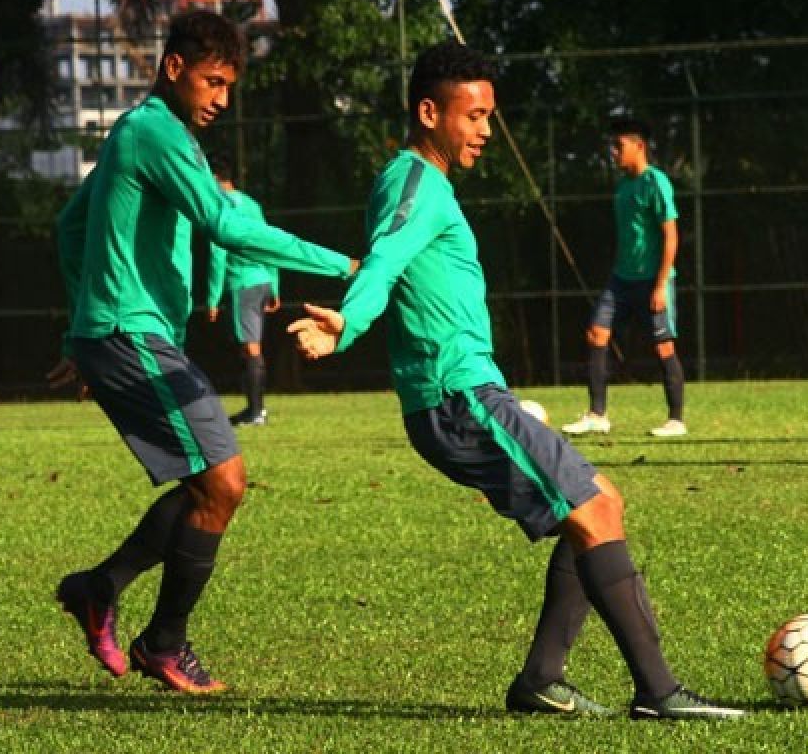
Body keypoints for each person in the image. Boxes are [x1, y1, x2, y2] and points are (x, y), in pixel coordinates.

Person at [289, 41, 741, 721]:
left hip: (468, 391)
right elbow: (383, 261)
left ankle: (542, 680)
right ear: (429, 111)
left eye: (489, 116)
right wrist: (345, 324)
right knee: (594, 512)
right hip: (456, 395)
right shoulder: (412, 183)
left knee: (598, 505)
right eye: (473, 115)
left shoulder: (430, 185)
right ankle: (659, 692)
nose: (484, 131)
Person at [49, 10, 357, 694]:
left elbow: (69, 227)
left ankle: (100, 589)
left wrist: (82, 326)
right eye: (213, 82)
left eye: (230, 87)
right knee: (224, 482)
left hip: (123, 331)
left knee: (206, 485)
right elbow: (223, 226)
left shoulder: (144, 132)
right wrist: (344, 265)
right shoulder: (156, 132)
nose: (221, 98)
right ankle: (164, 644)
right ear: (174, 68)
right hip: (131, 333)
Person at [561, 118, 687, 439]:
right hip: (621, 280)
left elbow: (671, 236)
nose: (613, 152)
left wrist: (660, 284)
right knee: (596, 334)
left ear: (639, 147)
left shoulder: (655, 182)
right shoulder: (623, 188)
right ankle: (597, 415)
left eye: (619, 146)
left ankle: (675, 420)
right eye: (612, 146)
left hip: (652, 280)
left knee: (663, 347)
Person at [204, 153, 280, 427]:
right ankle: (254, 408)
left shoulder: (220, 205)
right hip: (261, 281)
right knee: (248, 347)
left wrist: (212, 298)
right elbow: (268, 242)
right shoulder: (251, 204)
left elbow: (218, 254)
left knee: (250, 347)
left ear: (213, 178)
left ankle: (256, 412)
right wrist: (274, 284)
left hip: (242, 282)